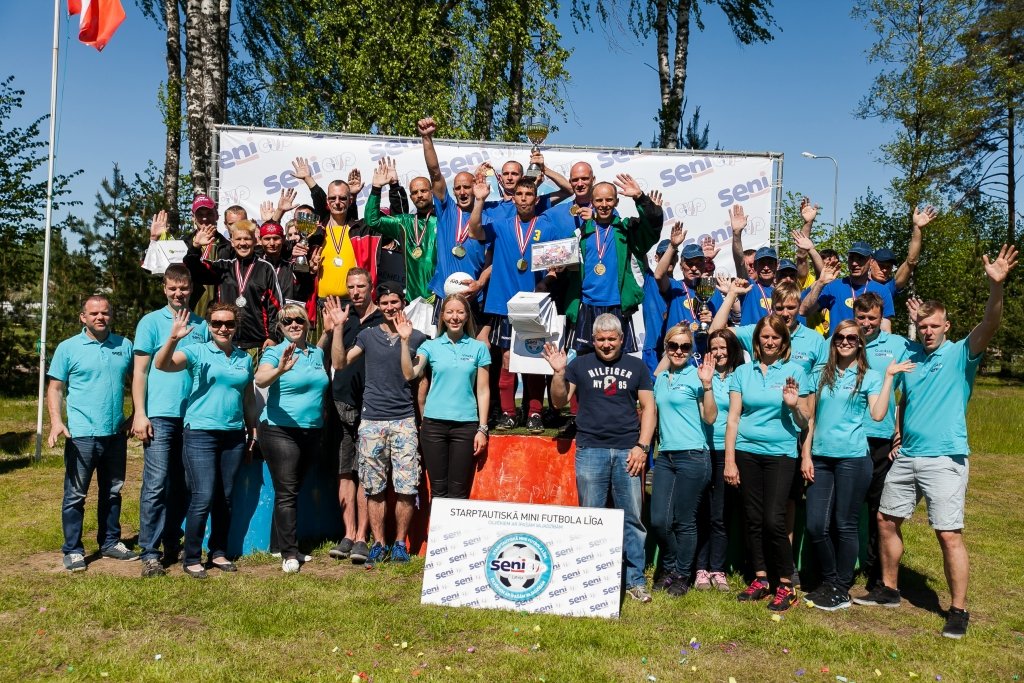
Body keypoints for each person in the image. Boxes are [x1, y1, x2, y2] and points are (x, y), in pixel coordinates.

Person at [856, 245, 1018, 640]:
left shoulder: (963, 352)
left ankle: (958, 610)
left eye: (935, 325)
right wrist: (897, 432)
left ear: (947, 326)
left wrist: (996, 288)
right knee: (885, 520)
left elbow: (990, 324)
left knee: (948, 533)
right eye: (923, 325)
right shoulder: (910, 355)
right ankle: (890, 590)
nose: (928, 331)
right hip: (907, 455)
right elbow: (905, 399)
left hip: (945, 459)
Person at [800, 319, 913, 611]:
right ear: (833, 340)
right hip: (821, 459)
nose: (846, 341)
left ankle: (839, 587)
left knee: (845, 524)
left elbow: (877, 415)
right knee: (815, 525)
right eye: (840, 337)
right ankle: (829, 580)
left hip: (853, 458)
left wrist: (888, 378)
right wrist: (806, 454)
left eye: (852, 337)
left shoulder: (871, 376)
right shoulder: (819, 375)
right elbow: (811, 418)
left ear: (860, 343)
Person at [543, 314, 657, 603]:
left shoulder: (637, 366)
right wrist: (558, 373)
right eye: (601, 339)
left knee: (632, 519)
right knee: (591, 518)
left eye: (612, 339)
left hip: (627, 451)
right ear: (593, 340)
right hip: (590, 450)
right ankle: (591, 576)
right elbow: (558, 402)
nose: (606, 344)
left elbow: (649, 407)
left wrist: (642, 447)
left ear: (621, 339)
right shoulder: (579, 365)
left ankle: (635, 580)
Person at [155, 303, 257, 579]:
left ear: (236, 327)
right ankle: (191, 556)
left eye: (229, 323)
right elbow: (162, 364)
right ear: (209, 326)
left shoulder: (244, 359)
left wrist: (252, 430)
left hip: (234, 435)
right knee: (203, 495)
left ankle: (219, 552)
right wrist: (174, 338)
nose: (223, 328)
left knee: (225, 497)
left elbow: (248, 398)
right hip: (200, 432)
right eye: (216, 323)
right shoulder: (196, 351)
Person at [330, 282, 426, 565]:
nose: (389, 308)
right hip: (371, 420)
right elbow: (339, 363)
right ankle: (379, 543)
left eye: (394, 302)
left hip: (404, 420)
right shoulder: (367, 335)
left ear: (403, 303)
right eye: (384, 303)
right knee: (374, 487)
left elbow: (410, 377)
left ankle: (399, 544)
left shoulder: (418, 337)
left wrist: (405, 340)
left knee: (407, 486)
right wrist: (337, 328)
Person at [724, 313, 812, 612]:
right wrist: (730, 460)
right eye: (765, 337)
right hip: (747, 452)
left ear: (783, 341)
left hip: (781, 454)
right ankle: (760, 579)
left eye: (776, 337)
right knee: (752, 517)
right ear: (757, 341)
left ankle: (786, 584)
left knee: (774, 519)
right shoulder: (742, 373)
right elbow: (733, 419)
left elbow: (805, 422)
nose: (770, 342)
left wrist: (794, 404)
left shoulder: (796, 372)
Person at [468, 177, 570, 433]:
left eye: (529, 194)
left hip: (534, 304)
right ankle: (508, 413)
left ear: (536, 199)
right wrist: (479, 200)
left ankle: (534, 412)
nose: (524, 198)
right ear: (513, 198)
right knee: (507, 359)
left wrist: (551, 276)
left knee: (534, 358)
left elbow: (560, 262)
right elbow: (474, 230)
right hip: (504, 304)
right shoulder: (501, 225)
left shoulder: (547, 226)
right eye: (520, 194)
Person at [47, 295, 138, 572]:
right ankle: (73, 550)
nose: (100, 317)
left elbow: (137, 381)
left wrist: (136, 414)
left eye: (105, 313)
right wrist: (56, 422)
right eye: (94, 313)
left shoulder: (125, 345)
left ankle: (110, 543)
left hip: (115, 434)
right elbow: (55, 388)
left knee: (113, 492)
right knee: (76, 494)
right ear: (82, 317)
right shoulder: (68, 348)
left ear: (112, 316)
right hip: (81, 435)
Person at [132, 265, 209, 578]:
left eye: (184, 288)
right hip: (160, 414)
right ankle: (149, 553)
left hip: (194, 417)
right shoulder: (151, 322)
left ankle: (171, 540)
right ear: (164, 289)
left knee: (185, 485)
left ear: (191, 289)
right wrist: (140, 412)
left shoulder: (203, 326)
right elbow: (140, 371)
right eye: (173, 289)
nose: (179, 294)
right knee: (156, 483)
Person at [254, 305, 330, 573]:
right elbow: (260, 379)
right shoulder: (275, 352)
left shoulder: (317, 353)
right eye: (288, 321)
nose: (294, 324)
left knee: (292, 490)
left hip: (311, 430)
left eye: (299, 319)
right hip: (279, 429)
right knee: (287, 491)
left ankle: (278, 545)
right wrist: (280, 370)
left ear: (308, 323)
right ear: (281, 326)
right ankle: (289, 553)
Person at [851, 292, 915, 591]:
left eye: (872, 318)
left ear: (881, 318)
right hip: (848, 437)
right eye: (861, 318)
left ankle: (878, 573)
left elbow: (912, 387)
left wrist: (901, 431)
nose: (866, 324)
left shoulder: (897, 345)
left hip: (881, 438)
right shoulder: (844, 341)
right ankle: (845, 569)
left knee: (880, 509)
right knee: (848, 508)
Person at [649, 324, 717, 597]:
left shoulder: (697, 376)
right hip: (665, 456)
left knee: (684, 521)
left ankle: (680, 573)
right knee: (659, 520)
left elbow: (710, 417)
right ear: (666, 349)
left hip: (693, 455)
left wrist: (708, 386)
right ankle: (669, 565)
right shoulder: (660, 377)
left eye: (685, 347)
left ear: (692, 350)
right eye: (673, 346)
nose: (679, 351)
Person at [401, 294, 490, 498]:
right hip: (433, 427)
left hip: (466, 426)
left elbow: (483, 391)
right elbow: (409, 373)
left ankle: (457, 531)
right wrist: (404, 343)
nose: (455, 317)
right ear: (442, 316)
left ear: (467, 316)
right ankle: (438, 532)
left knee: (459, 491)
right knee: (438, 490)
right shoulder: (430, 346)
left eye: (460, 312)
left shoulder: (479, 348)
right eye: (450, 312)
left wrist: (482, 429)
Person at [563, 175, 663, 353]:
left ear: (616, 202)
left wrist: (639, 197)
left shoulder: (627, 230)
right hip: (586, 306)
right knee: (585, 362)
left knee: (619, 362)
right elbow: (566, 268)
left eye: (609, 200)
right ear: (592, 203)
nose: (604, 204)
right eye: (599, 200)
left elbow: (652, 229)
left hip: (617, 305)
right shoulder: (580, 235)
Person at [324, 268, 381, 564]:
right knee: (345, 470)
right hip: (341, 401)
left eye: (361, 286)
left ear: (371, 286)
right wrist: (333, 328)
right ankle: (347, 534)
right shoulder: (341, 316)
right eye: (351, 287)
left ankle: (362, 537)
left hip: (373, 405)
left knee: (366, 473)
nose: (356, 291)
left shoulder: (383, 317)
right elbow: (334, 361)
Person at [418, 117, 490, 323]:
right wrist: (427, 139)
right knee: (440, 349)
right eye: (457, 188)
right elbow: (435, 173)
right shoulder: (446, 209)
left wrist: (481, 282)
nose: (462, 191)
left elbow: (492, 260)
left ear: (475, 187)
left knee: (473, 349)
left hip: (473, 295)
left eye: (466, 186)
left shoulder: (487, 217)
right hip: (444, 294)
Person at [692, 328, 745, 592]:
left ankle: (718, 569)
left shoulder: (741, 377)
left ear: (732, 349)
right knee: (703, 511)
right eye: (714, 347)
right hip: (703, 449)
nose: (719, 352)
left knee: (721, 513)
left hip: (729, 452)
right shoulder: (701, 375)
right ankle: (701, 569)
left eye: (723, 347)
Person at [184, 219, 284, 354]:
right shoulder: (223, 267)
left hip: (258, 344)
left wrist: (273, 336)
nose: (242, 243)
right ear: (232, 242)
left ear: (255, 240)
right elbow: (194, 269)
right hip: (225, 341)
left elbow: (276, 306)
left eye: (247, 239)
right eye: (238, 239)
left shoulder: (266, 268)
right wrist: (195, 246)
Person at [711, 279, 831, 376]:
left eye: (790, 308)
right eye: (779, 308)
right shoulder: (757, 332)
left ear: (799, 306)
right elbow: (715, 332)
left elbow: (819, 383)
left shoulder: (815, 340)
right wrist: (732, 294)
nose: (785, 313)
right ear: (772, 307)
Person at [365, 157, 438, 303]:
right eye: (415, 192)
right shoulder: (405, 222)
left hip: (440, 298)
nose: (419, 195)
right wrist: (376, 188)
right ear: (411, 197)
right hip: (413, 299)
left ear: (432, 192)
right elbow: (372, 220)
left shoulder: (444, 220)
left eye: (423, 190)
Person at [799, 241, 895, 334]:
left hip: (868, 349)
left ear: (871, 262)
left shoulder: (882, 291)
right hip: (838, 347)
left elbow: (885, 330)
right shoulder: (834, 286)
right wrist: (820, 282)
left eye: (860, 259)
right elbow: (804, 311)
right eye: (851, 258)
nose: (854, 263)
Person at [870, 205, 937, 299]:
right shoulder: (857, 282)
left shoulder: (889, 287)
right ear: (871, 263)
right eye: (881, 265)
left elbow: (911, 261)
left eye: (888, 267)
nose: (884, 270)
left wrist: (917, 228)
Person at [729, 204, 777, 324]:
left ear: (777, 265)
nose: (766, 268)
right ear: (755, 267)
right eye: (762, 264)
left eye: (770, 263)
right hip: (751, 342)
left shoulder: (783, 291)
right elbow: (740, 261)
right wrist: (736, 234)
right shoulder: (749, 287)